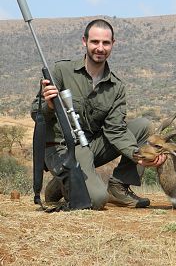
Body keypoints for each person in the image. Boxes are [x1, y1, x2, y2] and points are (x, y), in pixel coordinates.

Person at [31, 19, 165, 210]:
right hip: (61, 148)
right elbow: (35, 113)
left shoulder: (116, 87)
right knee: (96, 200)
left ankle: (118, 187)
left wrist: (138, 155)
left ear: (112, 45)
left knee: (143, 126)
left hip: (90, 148)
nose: (100, 48)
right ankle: (63, 180)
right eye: (95, 42)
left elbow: (116, 130)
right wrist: (49, 106)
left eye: (105, 43)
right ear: (84, 41)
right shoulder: (60, 71)